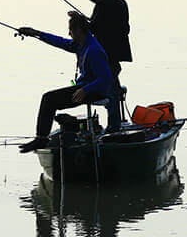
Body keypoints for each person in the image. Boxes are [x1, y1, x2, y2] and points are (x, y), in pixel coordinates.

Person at [13, 11, 121, 151]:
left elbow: (105, 78)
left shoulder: (93, 50)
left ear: (77, 30)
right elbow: (59, 41)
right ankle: (41, 138)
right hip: (85, 87)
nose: (69, 34)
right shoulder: (81, 43)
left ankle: (41, 139)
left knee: (49, 99)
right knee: (49, 99)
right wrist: (36, 33)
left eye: (70, 30)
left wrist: (85, 90)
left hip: (95, 91)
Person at [83, 0, 131, 77]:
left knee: (106, 81)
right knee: (111, 78)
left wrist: (79, 20)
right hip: (117, 52)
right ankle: (117, 92)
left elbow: (94, 28)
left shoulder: (103, 4)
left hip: (106, 52)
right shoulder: (120, 2)